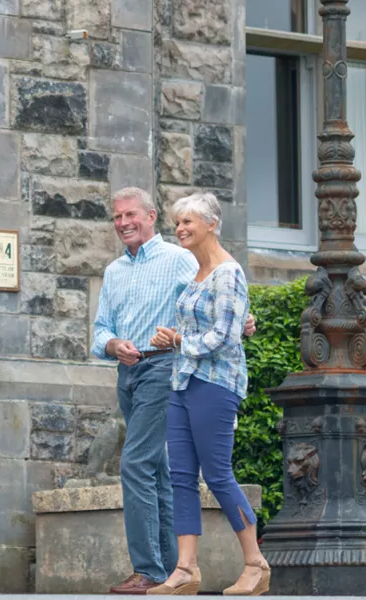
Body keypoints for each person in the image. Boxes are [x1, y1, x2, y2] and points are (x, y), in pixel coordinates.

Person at [91, 187, 254, 594]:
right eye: (117, 217)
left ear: (149, 216)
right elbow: (100, 332)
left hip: (168, 367)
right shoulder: (113, 271)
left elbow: (225, 307)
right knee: (167, 471)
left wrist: (245, 323)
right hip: (130, 372)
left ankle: (149, 569)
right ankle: (174, 569)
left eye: (131, 215)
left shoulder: (183, 258)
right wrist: (113, 345)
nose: (123, 223)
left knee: (138, 463)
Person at [146, 192, 268, 596]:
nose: (180, 228)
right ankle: (185, 569)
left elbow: (224, 336)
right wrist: (173, 340)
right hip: (183, 382)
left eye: (188, 221)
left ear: (212, 224)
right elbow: (227, 325)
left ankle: (255, 563)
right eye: (177, 222)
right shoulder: (197, 273)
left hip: (215, 384)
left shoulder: (228, 273)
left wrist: (178, 340)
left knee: (217, 473)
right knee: (180, 476)